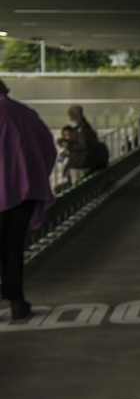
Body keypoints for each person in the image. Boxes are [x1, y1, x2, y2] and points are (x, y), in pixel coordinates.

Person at [0, 79, 57, 320]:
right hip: (24, 194)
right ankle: (17, 302)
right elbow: (49, 149)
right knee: (13, 249)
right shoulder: (26, 114)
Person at [64, 105, 100, 184]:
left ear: (78, 115)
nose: (70, 118)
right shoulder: (82, 127)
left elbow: (83, 145)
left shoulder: (82, 128)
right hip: (81, 162)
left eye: (71, 115)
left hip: (80, 163)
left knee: (78, 185)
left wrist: (69, 146)